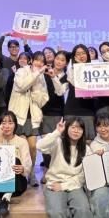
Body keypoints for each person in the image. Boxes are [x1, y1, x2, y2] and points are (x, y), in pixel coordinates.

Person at [37, 117, 94, 218]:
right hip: (54, 183)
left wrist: (64, 186)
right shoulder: (57, 142)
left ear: (83, 131)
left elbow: (83, 176)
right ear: (67, 128)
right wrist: (57, 132)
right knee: (56, 213)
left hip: (75, 185)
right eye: (73, 127)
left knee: (84, 211)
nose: (76, 130)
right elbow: (40, 146)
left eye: (79, 128)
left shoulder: (87, 149)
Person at [9, 51, 63, 186]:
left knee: (33, 147)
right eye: (37, 60)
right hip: (18, 115)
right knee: (21, 147)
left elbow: (43, 99)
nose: (39, 63)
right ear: (31, 61)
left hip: (33, 117)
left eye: (42, 61)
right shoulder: (21, 71)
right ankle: (21, 175)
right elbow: (22, 86)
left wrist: (35, 93)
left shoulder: (42, 77)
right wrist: (36, 74)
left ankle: (31, 172)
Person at [0, 111, 32, 217]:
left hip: (17, 184)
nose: (7, 126)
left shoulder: (22, 141)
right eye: (3, 123)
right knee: (0, 160)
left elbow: (27, 163)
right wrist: (0, 138)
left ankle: (6, 198)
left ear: (15, 125)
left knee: (14, 159)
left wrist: (23, 168)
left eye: (10, 123)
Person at [41, 50, 69, 182]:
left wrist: (54, 77)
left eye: (63, 60)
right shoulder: (44, 72)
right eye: (58, 58)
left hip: (58, 113)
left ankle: (57, 171)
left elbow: (60, 92)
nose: (59, 62)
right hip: (43, 112)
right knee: (46, 142)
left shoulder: (67, 77)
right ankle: (47, 170)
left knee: (57, 143)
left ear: (66, 63)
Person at [65, 44, 97, 141]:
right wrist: (79, 67)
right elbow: (75, 83)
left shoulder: (95, 69)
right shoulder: (71, 70)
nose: (81, 56)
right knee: (70, 143)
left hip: (88, 111)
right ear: (74, 57)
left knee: (89, 142)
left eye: (83, 53)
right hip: (72, 110)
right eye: (78, 54)